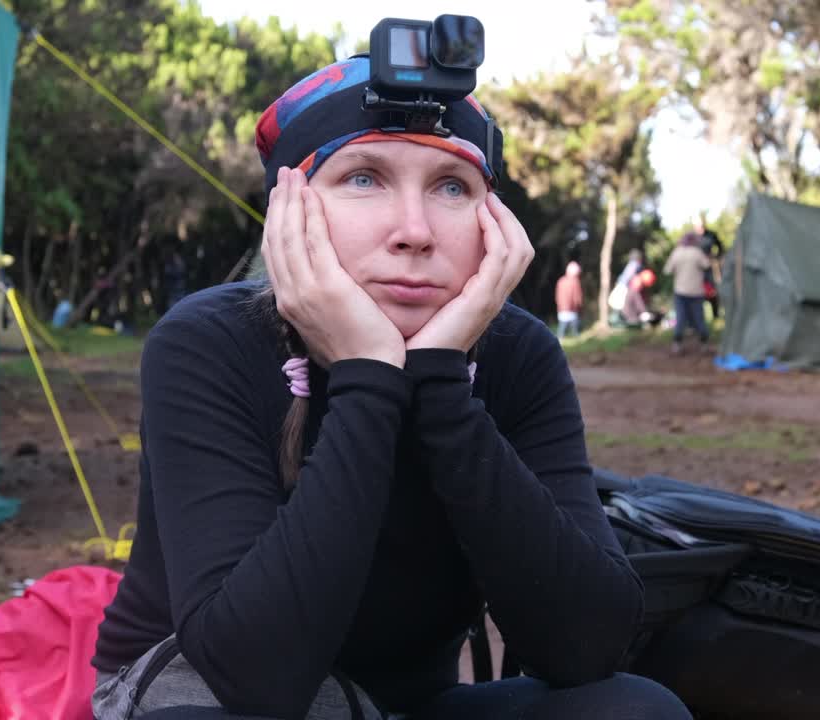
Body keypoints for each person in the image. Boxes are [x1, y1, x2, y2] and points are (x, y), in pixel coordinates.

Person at [90, 54, 690, 720]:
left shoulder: (519, 356)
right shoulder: (210, 342)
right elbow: (256, 676)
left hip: (409, 704)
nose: (415, 231)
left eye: (452, 187)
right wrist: (368, 378)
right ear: (291, 211)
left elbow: (586, 649)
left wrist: (439, 382)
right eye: (364, 178)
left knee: (636, 710)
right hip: (206, 694)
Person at [663, 234, 713, 355]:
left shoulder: (677, 252)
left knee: (680, 318)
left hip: (680, 291)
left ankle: (677, 345)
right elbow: (707, 265)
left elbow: (667, 270)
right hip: (696, 291)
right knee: (699, 318)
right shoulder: (697, 253)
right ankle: (704, 345)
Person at [693, 215, 724, 321]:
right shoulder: (692, 238)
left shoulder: (711, 235)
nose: (700, 228)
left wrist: (717, 256)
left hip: (710, 267)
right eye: (698, 227)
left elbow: (720, 246)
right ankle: (700, 318)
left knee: (713, 291)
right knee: (700, 292)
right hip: (698, 269)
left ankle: (716, 315)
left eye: (701, 226)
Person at [553, 260, 583, 337]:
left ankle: (560, 338)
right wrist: (579, 306)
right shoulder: (575, 281)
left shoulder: (561, 281)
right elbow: (577, 297)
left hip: (561, 308)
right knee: (574, 328)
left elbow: (557, 296)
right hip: (572, 309)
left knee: (562, 327)